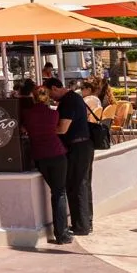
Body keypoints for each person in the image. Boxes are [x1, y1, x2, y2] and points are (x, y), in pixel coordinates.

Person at [18, 79, 71, 244]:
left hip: (39, 156)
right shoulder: (53, 114)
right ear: (47, 97)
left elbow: (24, 129)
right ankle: (62, 234)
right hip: (57, 154)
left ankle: (60, 233)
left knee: (56, 192)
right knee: (59, 193)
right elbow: (57, 129)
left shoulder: (27, 114)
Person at [43, 77, 94, 236]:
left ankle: (80, 226)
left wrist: (45, 130)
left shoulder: (69, 101)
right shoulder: (74, 98)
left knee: (76, 185)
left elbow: (62, 129)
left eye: (50, 94)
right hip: (84, 146)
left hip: (77, 147)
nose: (51, 98)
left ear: (55, 88)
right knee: (83, 184)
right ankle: (86, 223)